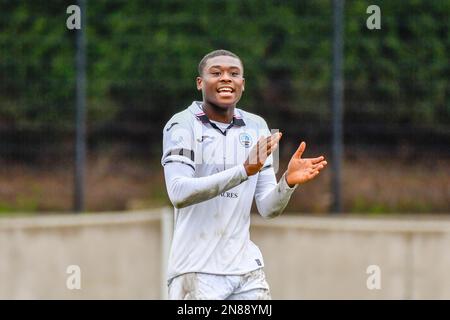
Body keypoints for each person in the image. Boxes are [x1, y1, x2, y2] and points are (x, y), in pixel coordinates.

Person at [161, 49, 327, 300]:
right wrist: (242, 171)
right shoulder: (182, 125)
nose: (226, 78)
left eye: (234, 73)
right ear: (200, 83)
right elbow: (178, 192)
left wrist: (287, 182)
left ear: (243, 84)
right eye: (216, 73)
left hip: (246, 272)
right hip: (195, 272)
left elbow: (268, 208)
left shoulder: (257, 126)